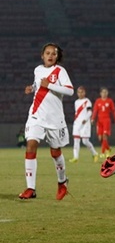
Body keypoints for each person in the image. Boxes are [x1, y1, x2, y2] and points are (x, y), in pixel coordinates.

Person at [19, 43, 74, 200]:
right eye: (48, 53)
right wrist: (32, 87)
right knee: (31, 145)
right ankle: (31, 188)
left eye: (54, 54)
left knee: (55, 152)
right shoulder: (37, 70)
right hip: (36, 115)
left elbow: (70, 90)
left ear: (57, 57)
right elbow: (38, 84)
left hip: (55, 119)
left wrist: (49, 85)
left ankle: (62, 182)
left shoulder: (60, 71)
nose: (50, 56)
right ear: (42, 55)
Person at [69, 86, 99, 163]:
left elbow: (90, 112)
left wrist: (85, 119)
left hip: (85, 123)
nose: (80, 94)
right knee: (76, 140)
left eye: (82, 92)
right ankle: (75, 157)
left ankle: (95, 154)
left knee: (85, 141)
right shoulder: (76, 102)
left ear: (84, 92)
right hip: (77, 123)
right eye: (79, 92)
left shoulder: (87, 101)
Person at [91, 86, 115, 157]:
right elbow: (95, 111)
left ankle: (103, 152)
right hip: (99, 121)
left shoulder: (110, 101)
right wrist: (93, 119)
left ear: (107, 93)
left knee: (104, 137)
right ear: (100, 93)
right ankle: (108, 148)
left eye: (105, 92)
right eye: (103, 92)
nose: (104, 93)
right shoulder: (98, 101)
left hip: (106, 120)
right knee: (100, 138)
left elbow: (113, 111)